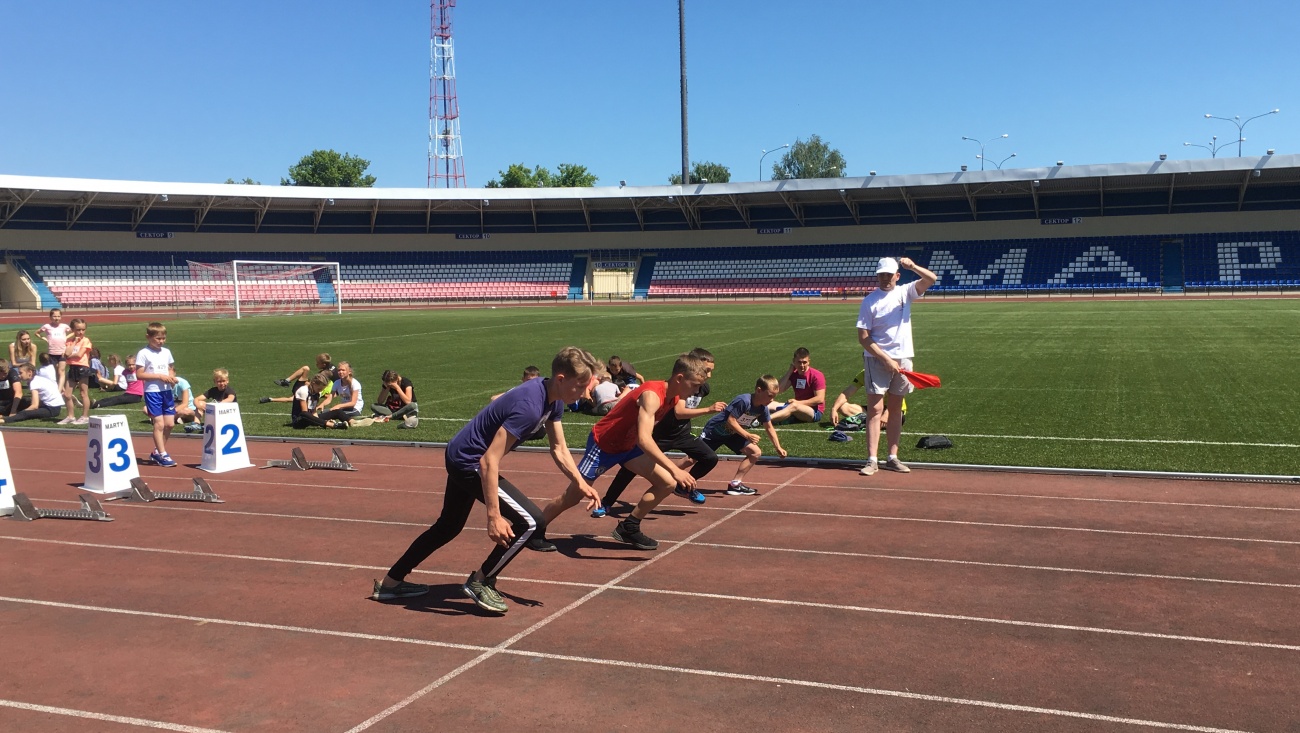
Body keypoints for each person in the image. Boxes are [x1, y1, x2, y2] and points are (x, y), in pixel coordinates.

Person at [373, 347, 601, 615]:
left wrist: (580, 482)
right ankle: (481, 581)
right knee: (531, 521)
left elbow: (559, 448)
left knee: (447, 527)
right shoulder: (530, 406)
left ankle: (390, 584)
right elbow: (488, 462)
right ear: (561, 379)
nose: (585, 392)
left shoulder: (555, 398)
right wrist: (493, 516)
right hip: (469, 461)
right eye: (581, 385)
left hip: (462, 454)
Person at [530, 353, 710, 552]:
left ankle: (629, 527)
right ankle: (534, 530)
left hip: (628, 446)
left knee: (666, 483)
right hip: (604, 445)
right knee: (573, 496)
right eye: (694, 385)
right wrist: (675, 469)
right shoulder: (652, 395)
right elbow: (644, 439)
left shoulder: (674, 397)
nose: (696, 391)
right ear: (679, 379)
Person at [593, 347, 726, 516]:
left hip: (682, 434)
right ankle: (607, 502)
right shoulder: (677, 386)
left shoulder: (702, 388)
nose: (708, 376)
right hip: (660, 434)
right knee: (629, 467)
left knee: (710, 458)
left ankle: (683, 487)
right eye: (706, 371)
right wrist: (709, 410)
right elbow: (679, 412)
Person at [856, 256, 936, 476]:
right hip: (876, 359)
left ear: (897, 276)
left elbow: (931, 278)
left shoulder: (905, 292)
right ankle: (872, 459)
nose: (885, 279)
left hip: (903, 359)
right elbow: (863, 337)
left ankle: (892, 457)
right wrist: (885, 359)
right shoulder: (869, 301)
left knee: (895, 410)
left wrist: (913, 266)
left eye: (889, 275)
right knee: (874, 410)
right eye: (881, 275)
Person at [700, 375, 788, 495]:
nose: (772, 399)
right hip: (715, 431)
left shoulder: (763, 409)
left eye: (774, 396)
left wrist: (778, 447)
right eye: (770, 395)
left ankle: (735, 484)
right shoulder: (744, 401)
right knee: (692, 459)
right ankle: (673, 477)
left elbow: (769, 427)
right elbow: (730, 421)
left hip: (733, 434)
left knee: (755, 452)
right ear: (758, 390)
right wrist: (747, 435)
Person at [135, 322, 179, 467]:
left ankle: (157, 451)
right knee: (159, 424)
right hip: (153, 391)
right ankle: (162, 454)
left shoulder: (166, 352)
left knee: (170, 424)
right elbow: (139, 374)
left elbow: (171, 368)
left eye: (163, 338)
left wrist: (172, 377)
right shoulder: (143, 353)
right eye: (158, 339)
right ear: (148, 337)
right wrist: (159, 376)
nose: (161, 341)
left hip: (166, 391)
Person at [827, 370, 907, 430]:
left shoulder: (888, 374)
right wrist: (834, 409)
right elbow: (847, 393)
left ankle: (867, 422)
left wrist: (886, 415)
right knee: (842, 407)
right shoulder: (864, 373)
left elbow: (896, 399)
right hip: (875, 409)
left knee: (897, 418)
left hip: (894, 409)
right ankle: (870, 421)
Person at [767, 347, 827, 424]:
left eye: (804, 362)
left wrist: (798, 403)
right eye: (799, 362)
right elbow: (778, 390)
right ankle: (749, 415)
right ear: (794, 361)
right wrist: (789, 371)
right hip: (797, 405)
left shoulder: (816, 375)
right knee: (769, 403)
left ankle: (764, 420)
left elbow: (819, 399)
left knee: (793, 406)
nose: (802, 365)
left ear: (809, 362)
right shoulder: (794, 374)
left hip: (814, 411)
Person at [58, 318, 93, 425]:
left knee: (83, 393)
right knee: (67, 394)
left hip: (82, 368)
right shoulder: (69, 342)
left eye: (83, 330)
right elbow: (66, 353)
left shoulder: (86, 341)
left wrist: (69, 355)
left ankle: (85, 416)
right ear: (73, 330)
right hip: (73, 368)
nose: (80, 332)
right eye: (78, 330)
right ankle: (70, 416)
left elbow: (79, 355)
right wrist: (75, 342)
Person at [35, 308, 72, 392]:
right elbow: (37, 333)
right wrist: (44, 338)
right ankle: (61, 388)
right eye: (54, 316)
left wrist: (66, 337)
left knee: (61, 371)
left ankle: (59, 391)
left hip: (62, 352)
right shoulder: (47, 326)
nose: (57, 318)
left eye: (59, 316)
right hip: (52, 352)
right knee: (56, 371)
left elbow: (72, 332)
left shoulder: (64, 326)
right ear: (50, 317)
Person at [318, 361, 361, 428]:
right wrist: (322, 404)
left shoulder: (355, 384)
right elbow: (330, 398)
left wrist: (339, 406)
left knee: (332, 413)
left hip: (355, 409)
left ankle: (334, 422)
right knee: (323, 413)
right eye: (339, 370)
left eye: (343, 370)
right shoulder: (337, 383)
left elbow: (353, 403)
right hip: (342, 409)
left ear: (349, 372)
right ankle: (331, 421)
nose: (340, 372)